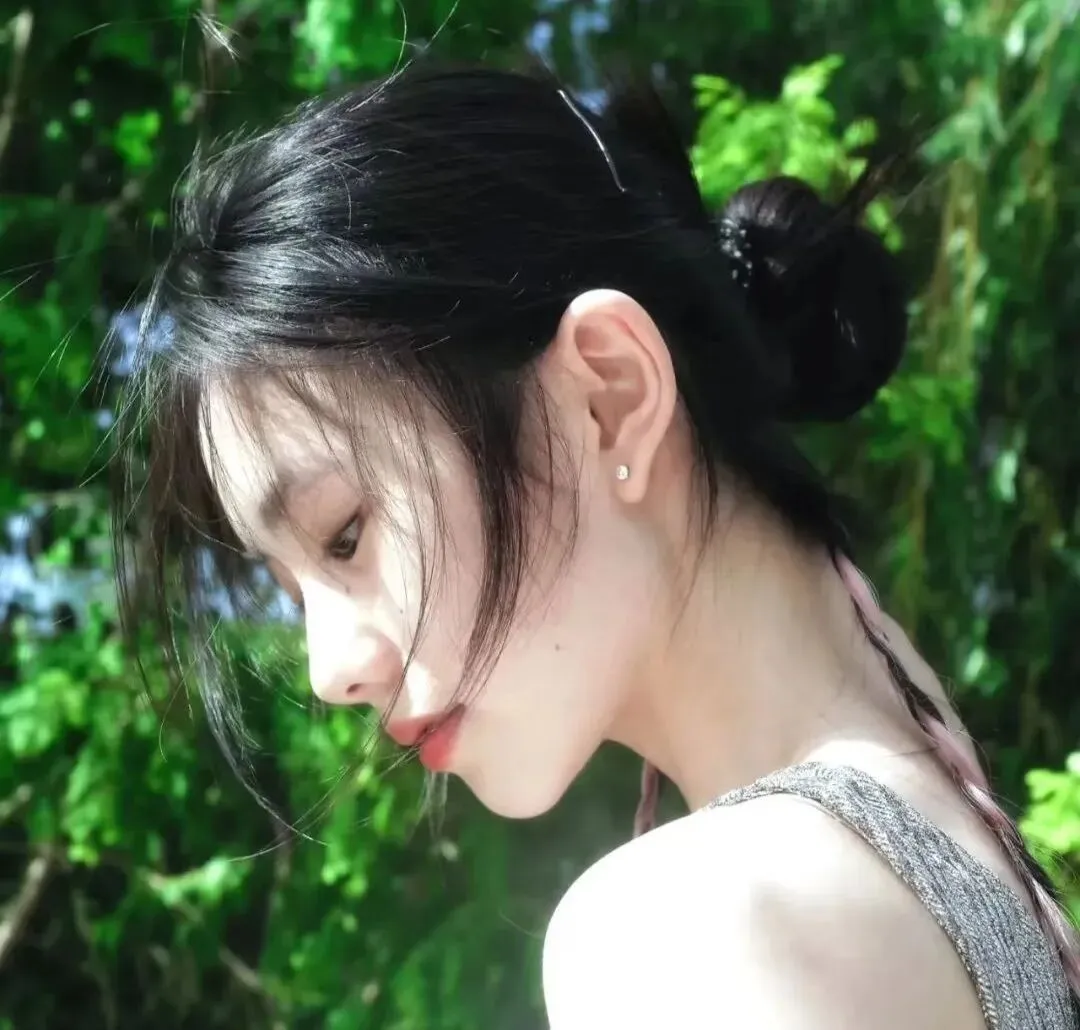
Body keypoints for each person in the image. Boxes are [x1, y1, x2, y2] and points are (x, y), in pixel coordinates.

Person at [114, 61, 1080, 1028]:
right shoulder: (947, 823)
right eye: (291, 590)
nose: (331, 672)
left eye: (347, 534)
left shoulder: (688, 931)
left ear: (611, 397)